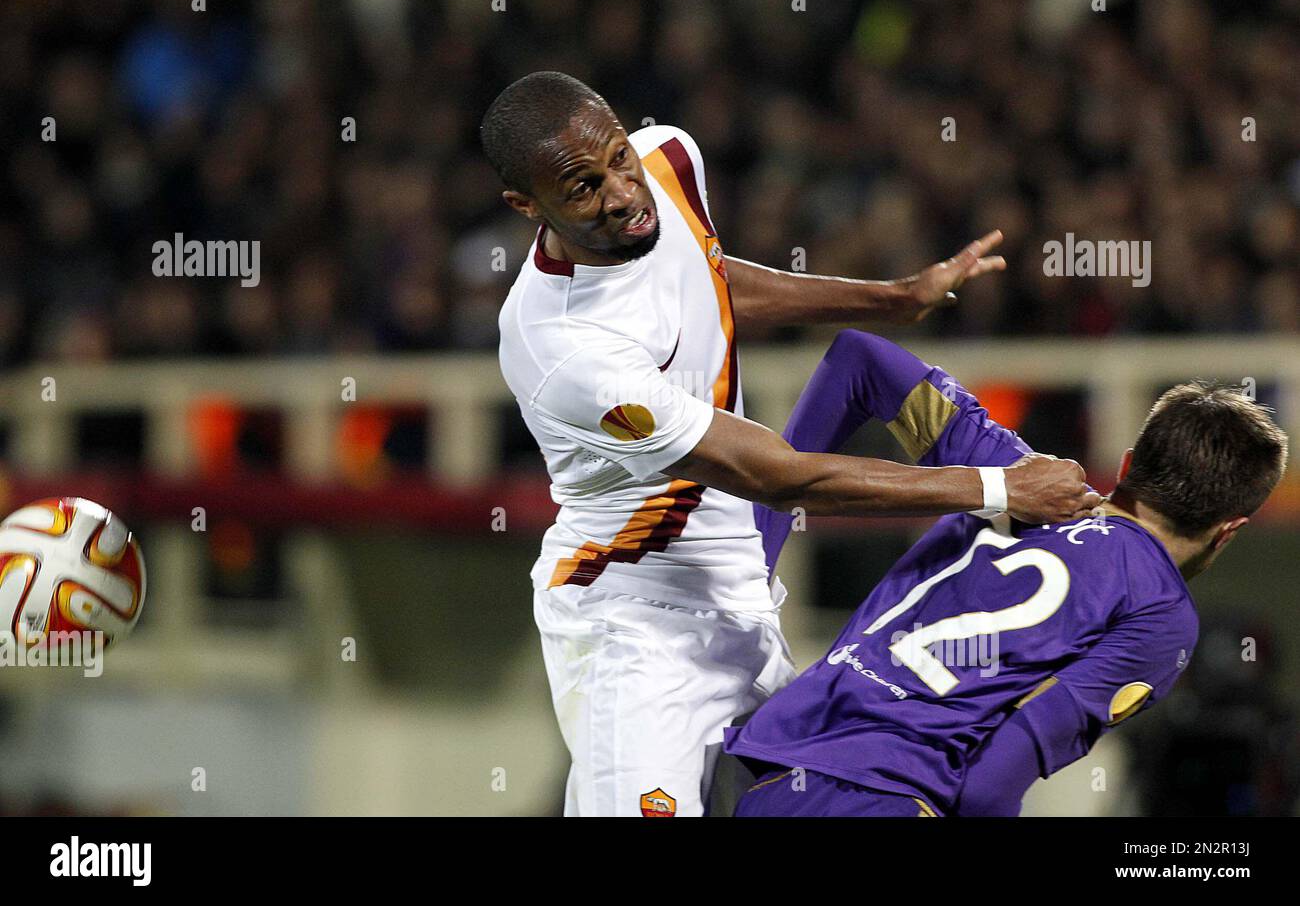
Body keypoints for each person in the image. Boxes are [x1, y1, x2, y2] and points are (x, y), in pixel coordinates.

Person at [485, 71, 1097, 817]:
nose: (621, 192)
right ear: (526, 206)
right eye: (583, 188)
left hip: (739, 598)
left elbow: (707, 277)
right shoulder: (562, 349)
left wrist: (896, 299)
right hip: (635, 630)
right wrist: (999, 488)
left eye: (619, 157)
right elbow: (774, 475)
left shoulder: (669, 160)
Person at [724, 329, 1289, 816]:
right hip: (897, 794)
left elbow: (858, 359)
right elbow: (990, 782)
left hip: (772, 768)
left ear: (1125, 467)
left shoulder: (1017, 476)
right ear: (1229, 529)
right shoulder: (1160, 615)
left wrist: (753, 558)